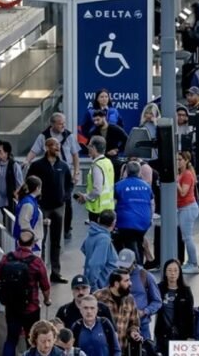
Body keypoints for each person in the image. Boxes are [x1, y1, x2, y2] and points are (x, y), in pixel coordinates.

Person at [0, 230, 51, 356]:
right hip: (31, 309)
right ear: (33, 244)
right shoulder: (36, 262)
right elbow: (45, 286)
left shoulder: (6, 258)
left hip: (11, 307)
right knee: (32, 340)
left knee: (11, 339)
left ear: (17, 242)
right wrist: (47, 299)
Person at [26, 113, 80, 239]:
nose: (63, 125)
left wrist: (76, 172)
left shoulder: (69, 136)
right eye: (60, 123)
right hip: (49, 170)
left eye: (64, 123)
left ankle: (66, 229)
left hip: (64, 170)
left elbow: (75, 155)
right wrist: (27, 161)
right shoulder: (43, 136)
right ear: (53, 124)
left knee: (67, 201)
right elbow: (34, 151)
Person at [27, 138, 72, 282]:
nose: (57, 147)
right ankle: (41, 272)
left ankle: (56, 272)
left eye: (58, 145)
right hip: (43, 207)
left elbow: (69, 184)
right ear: (47, 147)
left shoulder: (63, 166)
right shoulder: (37, 165)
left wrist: (65, 197)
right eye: (54, 145)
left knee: (56, 241)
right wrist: (36, 200)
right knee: (41, 240)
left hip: (59, 207)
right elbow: (29, 183)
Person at [112, 161, 153, 267]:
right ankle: (138, 267)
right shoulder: (147, 186)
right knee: (138, 242)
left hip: (125, 222)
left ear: (126, 171)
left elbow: (114, 203)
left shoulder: (119, 185)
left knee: (128, 244)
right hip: (144, 222)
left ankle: (136, 269)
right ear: (139, 172)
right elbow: (152, 203)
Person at [94, 269, 143, 352]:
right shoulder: (98, 297)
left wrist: (133, 332)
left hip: (122, 350)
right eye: (126, 281)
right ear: (116, 284)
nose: (130, 283)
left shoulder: (129, 299)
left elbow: (134, 323)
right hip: (102, 350)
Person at [155, 259, 195, 355]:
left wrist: (190, 336)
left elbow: (190, 315)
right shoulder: (159, 288)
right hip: (163, 334)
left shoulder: (186, 291)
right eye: (169, 270)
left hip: (181, 335)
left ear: (179, 272)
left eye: (175, 270)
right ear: (165, 272)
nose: (172, 273)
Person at [75, 136, 115, 222]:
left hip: (97, 210)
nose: (88, 148)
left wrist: (86, 197)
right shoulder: (108, 162)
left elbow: (97, 190)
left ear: (94, 148)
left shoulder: (97, 165)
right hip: (108, 207)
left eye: (89, 146)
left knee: (96, 234)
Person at [175, 151, 199, 274]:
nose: (177, 162)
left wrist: (175, 182)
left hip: (188, 208)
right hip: (183, 208)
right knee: (186, 237)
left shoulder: (187, 175)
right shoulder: (182, 174)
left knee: (187, 237)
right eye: (177, 160)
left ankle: (194, 264)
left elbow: (183, 192)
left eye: (180, 159)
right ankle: (190, 262)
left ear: (186, 161)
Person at [81, 210, 118, 291]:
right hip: (102, 286)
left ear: (98, 220)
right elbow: (95, 264)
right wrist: (94, 288)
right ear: (113, 223)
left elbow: (84, 248)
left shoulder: (92, 233)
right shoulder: (104, 239)